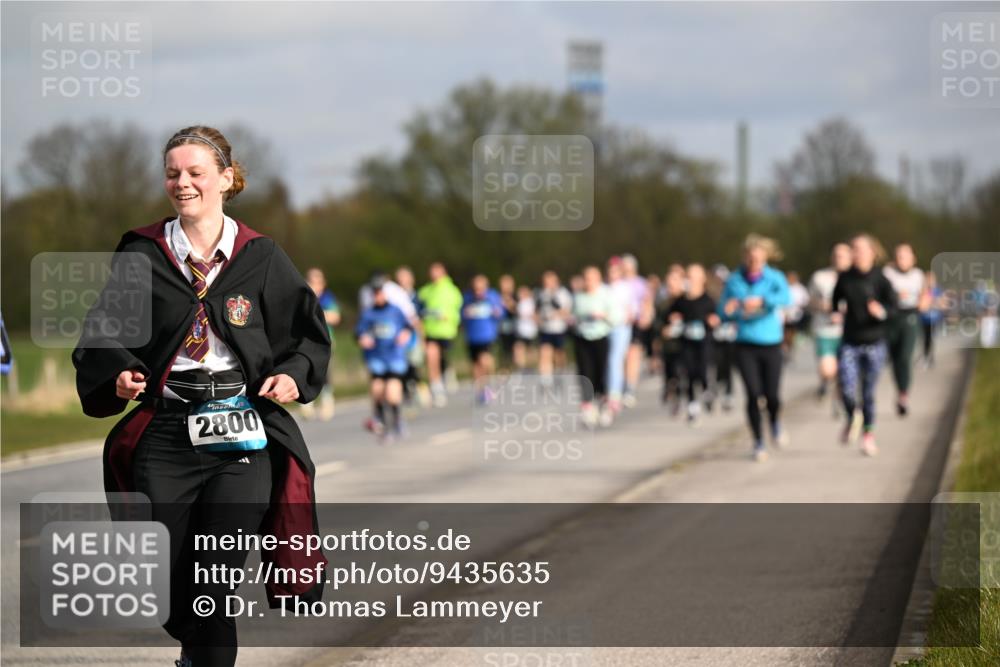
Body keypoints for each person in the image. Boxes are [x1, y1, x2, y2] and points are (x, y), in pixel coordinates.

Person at [72, 126, 331, 667]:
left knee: (214, 572)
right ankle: (198, 649)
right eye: (172, 173)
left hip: (240, 434)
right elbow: (102, 334)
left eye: (194, 173)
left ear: (226, 179)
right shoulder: (142, 251)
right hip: (166, 432)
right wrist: (118, 372)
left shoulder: (260, 255)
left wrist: (292, 374)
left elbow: (307, 335)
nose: (182, 183)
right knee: (162, 577)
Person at [718, 234, 790, 462]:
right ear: (745, 257)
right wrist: (731, 309)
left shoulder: (775, 277)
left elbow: (786, 298)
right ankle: (758, 441)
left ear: (766, 257)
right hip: (745, 344)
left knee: (772, 396)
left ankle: (775, 422)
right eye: (750, 257)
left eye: (758, 257)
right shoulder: (734, 280)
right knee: (752, 394)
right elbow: (722, 310)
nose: (754, 261)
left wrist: (761, 301)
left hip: (771, 343)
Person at [833, 234, 897, 456]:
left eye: (860, 249)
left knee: (868, 393)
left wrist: (881, 311)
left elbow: (893, 306)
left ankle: (868, 436)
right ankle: (853, 416)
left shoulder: (881, 278)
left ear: (872, 252)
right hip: (850, 341)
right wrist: (835, 313)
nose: (855, 253)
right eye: (853, 249)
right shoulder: (845, 278)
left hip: (875, 342)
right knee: (847, 389)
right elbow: (835, 300)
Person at [355, 276, 414, 441]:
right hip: (377, 357)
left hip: (394, 356)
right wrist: (363, 339)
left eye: (380, 292)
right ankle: (380, 421)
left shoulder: (395, 310)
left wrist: (405, 334)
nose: (377, 296)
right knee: (377, 389)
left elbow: (409, 326)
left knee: (392, 393)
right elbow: (359, 332)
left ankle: (397, 420)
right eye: (375, 293)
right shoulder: (368, 313)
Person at [668, 264, 719, 424]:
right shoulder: (680, 301)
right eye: (688, 276)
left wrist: (713, 321)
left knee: (702, 370)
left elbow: (717, 318)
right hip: (686, 342)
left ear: (702, 279)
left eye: (694, 277)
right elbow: (670, 316)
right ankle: (692, 406)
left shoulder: (708, 299)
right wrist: (672, 319)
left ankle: (706, 390)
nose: (691, 280)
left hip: (704, 342)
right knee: (688, 373)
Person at [808, 242, 853, 415]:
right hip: (824, 330)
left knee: (844, 371)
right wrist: (825, 306)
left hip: (848, 331)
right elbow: (809, 301)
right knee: (828, 370)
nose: (838, 258)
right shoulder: (820, 277)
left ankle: (838, 399)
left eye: (843, 255)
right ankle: (826, 384)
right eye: (836, 255)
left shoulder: (856, 278)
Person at [883, 243, 925, 416]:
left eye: (905, 256)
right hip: (891, 318)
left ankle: (903, 395)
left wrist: (924, 301)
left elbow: (925, 294)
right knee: (894, 359)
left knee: (905, 357)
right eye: (899, 256)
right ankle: (900, 389)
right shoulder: (888, 274)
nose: (902, 259)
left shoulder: (918, 275)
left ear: (913, 258)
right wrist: (894, 297)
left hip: (911, 317)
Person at [572, 266, 617, 428]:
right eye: (586, 278)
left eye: (592, 278)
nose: (589, 282)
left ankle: (604, 403)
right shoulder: (578, 296)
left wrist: (602, 315)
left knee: (601, 371)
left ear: (598, 279)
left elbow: (616, 316)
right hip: (582, 337)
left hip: (601, 336)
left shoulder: (606, 293)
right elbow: (573, 314)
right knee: (585, 371)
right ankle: (587, 407)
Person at [416, 262, 463, 407]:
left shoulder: (452, 290)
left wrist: (449, 319)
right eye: (432, 272)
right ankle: (437, 388)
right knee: (431, 356)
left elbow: (457, 310)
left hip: (446, 331)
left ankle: (447, 370)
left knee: (443, 357)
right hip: (431, 331)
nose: (434, 275)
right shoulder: (425, 291)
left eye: (437, 272)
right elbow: (418, 307)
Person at [302, 267, 340, 420]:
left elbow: (335, 317)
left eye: (317, 281)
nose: (314, 284)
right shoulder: (303, 297)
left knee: (324, 372)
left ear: (323, 283)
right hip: (305, 340)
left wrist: (316, 314)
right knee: (305, 369)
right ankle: (306, 403)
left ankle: (327, 400)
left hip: (325, 340)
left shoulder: (327, 298)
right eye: (311, 281)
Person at [462, 275, 504, 404]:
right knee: (476, 366)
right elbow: (461, 315)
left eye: (481, 288)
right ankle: (481, 391)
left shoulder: (492, 296)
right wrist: (466, 313)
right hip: (472, 336)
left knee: (485, 360)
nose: (478, 291)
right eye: (476, 288)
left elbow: (501, 312)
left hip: (487, 335)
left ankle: (489, 383)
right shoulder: (468, 298)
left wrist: (496, 312)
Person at [656, 265, 687, 416]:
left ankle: (681, 395)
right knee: (670, 373)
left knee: (681, 372)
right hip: (669, 346)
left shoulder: (687, 301)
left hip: (685, 345)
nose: (672, 286)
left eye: (675, 281)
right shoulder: (663, 304)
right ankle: (672, 394)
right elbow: (657, 325)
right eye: (669, 283)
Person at [621, 254, 651, 407]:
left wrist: (646, 316)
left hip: (636, 323)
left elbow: (647, 301)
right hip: (620, 324)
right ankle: (622, 383)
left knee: (633, 354)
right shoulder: (617, 283)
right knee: (622, 356)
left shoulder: (640, 283)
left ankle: (630, 387)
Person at [605, 257, 634, 415]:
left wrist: (628, 316)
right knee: (608, 360)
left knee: (615, 359)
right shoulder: (605, 288)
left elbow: (631, 309)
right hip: (605, 328)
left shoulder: (625, 287)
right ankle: (610, 389)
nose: (612, 273)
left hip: (621, 327)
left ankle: (614, 393)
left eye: (615, 270)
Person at [394, 265, 426, 406]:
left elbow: (419, 320)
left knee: (414, 364)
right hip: (399, 337)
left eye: (404, 276)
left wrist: (422, 338)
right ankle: (406, 392)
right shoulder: (394, 297)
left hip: (412, 337)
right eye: (399, 277)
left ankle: (418, 385)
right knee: (402, 365)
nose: (402, 280)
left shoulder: (416, 297)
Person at [535, 270, 574, 386]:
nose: (547, 283)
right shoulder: (541, 294)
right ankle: (546, 380)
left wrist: (555, 314)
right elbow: (536, 310)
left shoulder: (563, 293)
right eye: (545, 281)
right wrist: (538, 319)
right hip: (545, 329)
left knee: (559, 354)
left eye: (550, 281)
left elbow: (567, 311)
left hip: (559, 328)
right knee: (544, 352)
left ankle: (560, 371)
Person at [708, 264, 736, 412]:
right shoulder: (710, 294)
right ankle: (714, 389)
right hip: (714, 334)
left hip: (730, 334)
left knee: (728, 365)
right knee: (715, 364)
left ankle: (728, 393)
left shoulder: (732, 293)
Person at [782, 271, 811, 360]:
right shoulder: (784, 287)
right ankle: (784, 348)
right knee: (783, 333)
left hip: (795, 315)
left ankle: (789, 348)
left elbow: (806, 300)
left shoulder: (800, 289)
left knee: (791, 333)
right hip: (783, 315)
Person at [920, 271, 944, 368]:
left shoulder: (937, 291)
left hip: (934, 318)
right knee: (926, 338)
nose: (930, 281)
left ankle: (930, 357)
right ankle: (926, 357)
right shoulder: (923, 290)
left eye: (931, 279)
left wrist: (934, 302)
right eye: (928, 279)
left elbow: (942, 304)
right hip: (924, 318)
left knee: (931, 338)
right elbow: (921, 305)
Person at [512, 284, 538, 371]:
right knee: (519, 348)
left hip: (530, 330)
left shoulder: (531, 302)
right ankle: (522, 367)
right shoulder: (520, 303)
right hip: (520, 330)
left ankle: (531, 366)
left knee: (529, 349)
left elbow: (535, 315)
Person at [497, 274, 518, 372]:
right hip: (500, 327)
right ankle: (504, 369)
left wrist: (508, 303)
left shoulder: (516, 296)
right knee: (503, 351)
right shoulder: (497, 296)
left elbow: (516, 310)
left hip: (514, 327)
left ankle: (515, 368)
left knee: (514, 350)